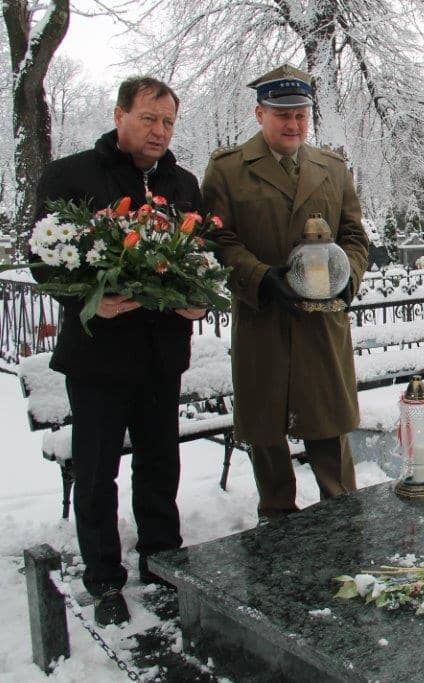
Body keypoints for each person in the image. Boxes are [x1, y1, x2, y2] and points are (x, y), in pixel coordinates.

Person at [34, 76, 206, 626]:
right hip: (98, 357)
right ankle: (104, 577)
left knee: (159, 464)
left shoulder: (182, 184)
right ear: (119, 115)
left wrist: (199, 302)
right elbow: (43, 259)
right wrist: (91, 298)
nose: (160, 131)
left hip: (161, 353)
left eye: (168, 122)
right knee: (96, 472)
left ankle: (162, 561)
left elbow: (201, 259)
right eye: (149, 118)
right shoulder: (71, 176)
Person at [203, 64, 369, 524]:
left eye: (301, 115)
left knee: (330, 432)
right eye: (282, 115)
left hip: (322, 323)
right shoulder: (228, 169)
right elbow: (218, 238)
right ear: (260, 114)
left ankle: (343, 527)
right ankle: (275, 526)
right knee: (267, 434)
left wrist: (349, 276)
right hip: (263, 320)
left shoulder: (331, 168)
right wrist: (260, 277)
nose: (293, 124)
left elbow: (354, 235)